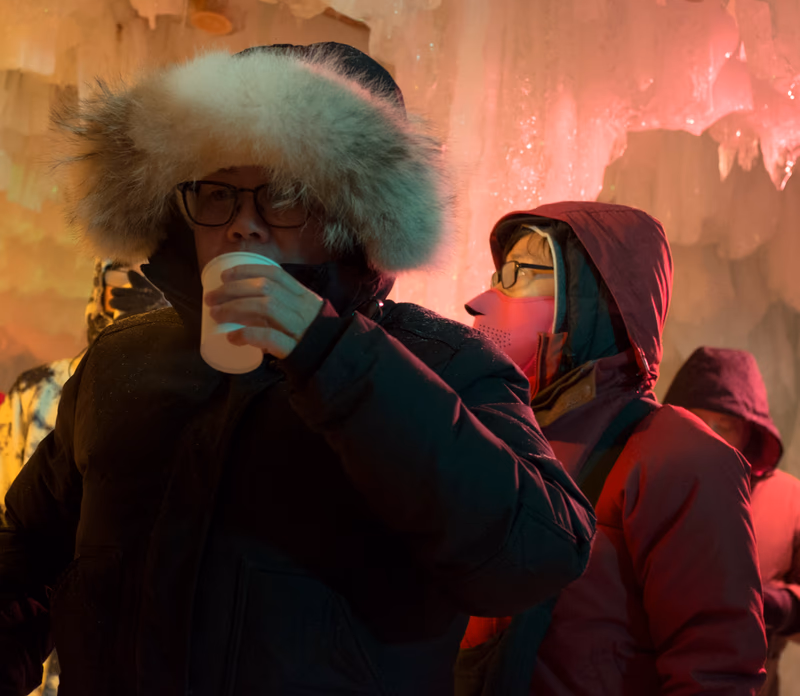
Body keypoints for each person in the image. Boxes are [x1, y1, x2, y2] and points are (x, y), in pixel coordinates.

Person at [0, 44, 595, 696]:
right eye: (217, 193)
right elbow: (29, 555)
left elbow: (536, 555)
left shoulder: (442, 365)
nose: (243, 226)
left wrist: (331, 356)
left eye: (284, 195)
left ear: (353, 215)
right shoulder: (125, 360)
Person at [462, 202, 767, 695]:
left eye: (519, 274)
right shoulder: (504, 435)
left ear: (593, 300)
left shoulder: (681, 459)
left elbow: (715, 675)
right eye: (497, 275)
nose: (481, 302)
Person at [0, 259, 167, 696]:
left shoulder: (186, 397)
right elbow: (17, 529)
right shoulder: (36, 390)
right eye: (121, 278)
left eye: (148, 280)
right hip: (38, 651)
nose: (133, 289)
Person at [664, 346, 800, 696]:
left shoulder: (790, 500)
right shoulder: (646, 481)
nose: (709, 435)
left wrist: (774, 605)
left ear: (749, 432)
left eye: (724, 425)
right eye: (696, 421)